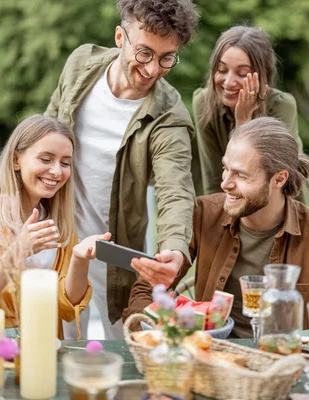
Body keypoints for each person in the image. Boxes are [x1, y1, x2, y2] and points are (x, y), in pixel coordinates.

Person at [125, 117, 309, 336]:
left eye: (241, 175)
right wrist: (153, 334)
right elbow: (145, 290)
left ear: (278, 179)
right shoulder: (202, 214)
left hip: (285, 369)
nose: (225, 183)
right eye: (225, 169)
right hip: (209, 361)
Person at [45, 0, 199, 339]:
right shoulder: (79, 65)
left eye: (166, 58)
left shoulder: (168, 115)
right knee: (58, 345)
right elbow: (46, 137)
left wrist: (174, 247)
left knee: (126, 347)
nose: (153, 69)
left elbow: (176, 190)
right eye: (144, 53)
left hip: (116, 252)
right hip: (56, 236)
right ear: (120, 37)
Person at [0, 114, 110, 340]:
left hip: (43, 345)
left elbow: (66, 308)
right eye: (45, 159)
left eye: (65, 162)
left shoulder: (57, 217)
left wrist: (80, 260)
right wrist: (18, 250)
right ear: (16, 160)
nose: (57, 171)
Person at [193, 26, 309, 206]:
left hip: (287, 207)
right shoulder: (204, 103)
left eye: (242, 73)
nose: (228, 82)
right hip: (235, 207)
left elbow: (274, 183)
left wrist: (243, 122)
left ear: (263, 76)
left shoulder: (282, 106)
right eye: (222, 69)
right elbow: (213, 179)